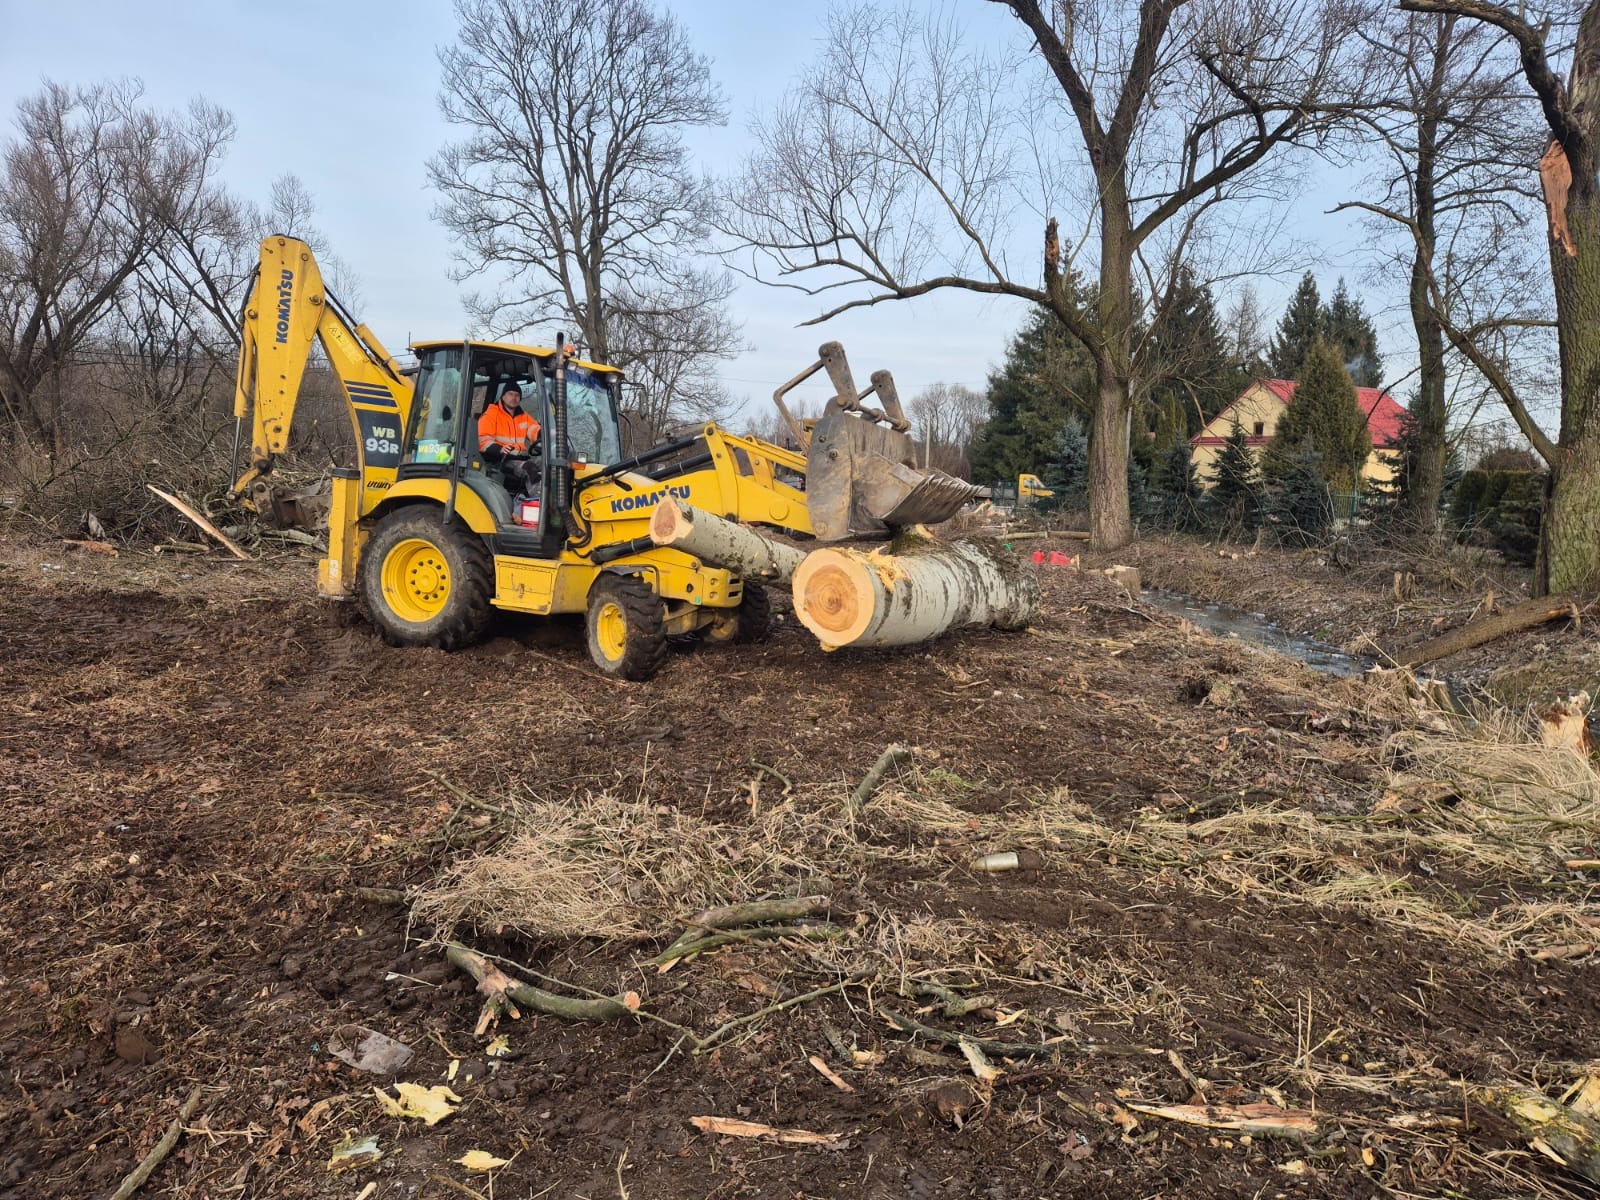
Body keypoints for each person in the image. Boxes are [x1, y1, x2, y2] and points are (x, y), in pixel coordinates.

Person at [477, 383, 541, 492]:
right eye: (510, 394)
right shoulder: (491, 414)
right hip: (501, 460)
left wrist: (544, 434)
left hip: (521, 457)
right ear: (503, 396)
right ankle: (538, 502)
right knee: (530, 469)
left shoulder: (523, 416)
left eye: (517, 395)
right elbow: (483, 440)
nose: (514, 398)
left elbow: (533, 429)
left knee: (547, 465)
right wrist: (499, 449)